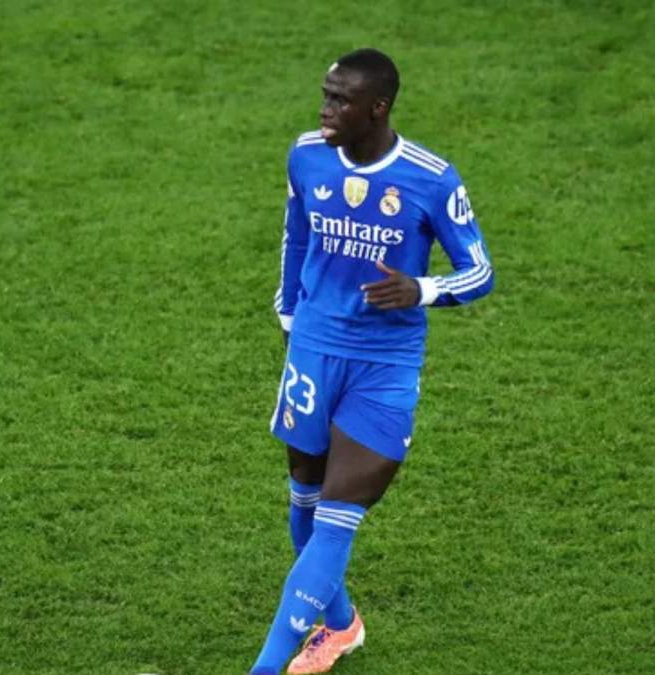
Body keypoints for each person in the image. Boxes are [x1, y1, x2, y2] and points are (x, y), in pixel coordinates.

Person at [249, 48, 495, 674]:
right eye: (326, 95)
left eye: (339, 100)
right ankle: (340, 625)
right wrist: (287, 317)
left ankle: (263, 668)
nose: (325, 109)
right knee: (303, 505)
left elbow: (481, 271)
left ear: (376, 109)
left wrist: (423, 289)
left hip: (383, 368)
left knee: (335, 523)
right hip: (312, 350)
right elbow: (295, 235)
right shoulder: (306, 155)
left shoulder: (430, 178)